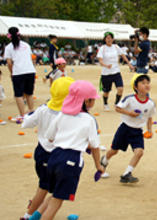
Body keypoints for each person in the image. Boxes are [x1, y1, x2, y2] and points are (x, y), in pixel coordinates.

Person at [29, 80, 103, 219]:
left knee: (55, 193)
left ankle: (35, 216)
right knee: (57, 201)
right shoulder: (89, 119)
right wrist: (98, 166)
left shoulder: (62, 114)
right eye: (93, 99)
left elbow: (50, 137)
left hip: (54, 157)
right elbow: (95, 146)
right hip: (71, 161)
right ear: (86, 101)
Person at [20, 77, 74, 220]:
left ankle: (36, 209)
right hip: (58, 156)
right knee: (47, 187)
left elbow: (26, 124)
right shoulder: (71, 114)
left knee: (47, 185)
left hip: (42, 152)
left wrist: (31, 116)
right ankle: (28, 215)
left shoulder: (43, 110)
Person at [100, 74, 156, 183]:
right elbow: (117, 108)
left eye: (148, 83)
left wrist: (150, 130)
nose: (146, 85)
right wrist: (129, 113)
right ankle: (104, 160)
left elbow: (150, 118)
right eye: (143, 83)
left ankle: (127, 173)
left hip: (137, 131)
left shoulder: (150, 103)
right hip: (125, 129)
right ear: (135, 87)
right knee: (114, 151)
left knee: (139, 152)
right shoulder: (130, 99)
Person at [4, 27, 36, 122]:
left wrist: (12, 73)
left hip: (18, 72)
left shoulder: (8, 47)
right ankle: (31, 112)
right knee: (29, 93)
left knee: (18, 95)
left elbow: (9, 63)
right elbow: (31, 58)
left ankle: (22, 115)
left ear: (9, 36)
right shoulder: (26, 45)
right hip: (30, 71)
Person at [97, 32, 134, 111]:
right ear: (105, 39)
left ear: (113, 39)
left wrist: (129, 64)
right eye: (107, 38)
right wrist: (105, 65)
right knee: (106, 92)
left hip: (116, 72)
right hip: (106, 73)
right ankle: (106, 104)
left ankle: (117, 103)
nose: (109, 39)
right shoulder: (102, 48)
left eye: (110, 38)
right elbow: (100, 60)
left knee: (120, 89)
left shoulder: (116, 47)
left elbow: (123, 56)